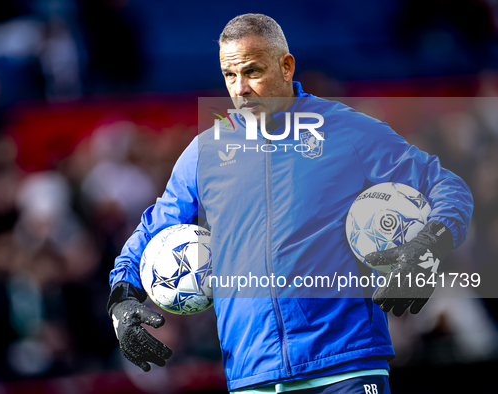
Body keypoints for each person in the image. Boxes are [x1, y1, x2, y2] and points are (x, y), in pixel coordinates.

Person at [107, 14, 473, 394]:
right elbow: (153, 230)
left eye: (252, 71)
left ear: (286, 66)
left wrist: (428, 246)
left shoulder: (347, 131)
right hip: (254, 375)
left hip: (345, 367)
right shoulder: (205, 152)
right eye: (230, 76)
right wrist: (123, 297)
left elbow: (447, 187)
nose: (241, 89)